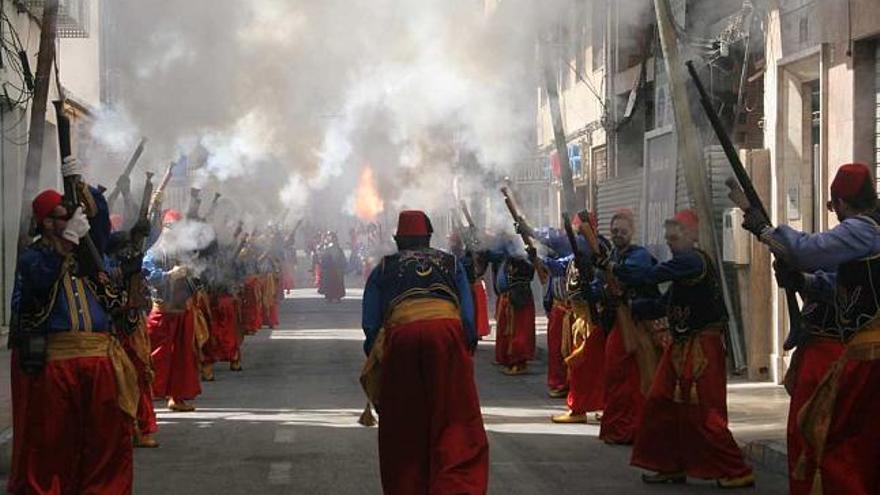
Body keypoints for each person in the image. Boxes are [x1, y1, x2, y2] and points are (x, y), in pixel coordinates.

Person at [741, 163, 880, 494]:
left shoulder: (863, 229)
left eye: (834, 207)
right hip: (866, 355)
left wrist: (766, 231)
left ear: (842, 203)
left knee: (831, 435)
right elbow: (848, 292)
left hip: (869, 357)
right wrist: (803, 282)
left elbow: (805, 251)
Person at [8, 184, 138, 494]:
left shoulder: (89, 256)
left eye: (71, 216)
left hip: (99, 360)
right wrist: (65, 244)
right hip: (57, 364)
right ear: (46, 222)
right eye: (62, 216)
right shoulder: (33, 258)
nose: (69, 221)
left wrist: (81, 184)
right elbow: (36, 287)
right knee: (54, 444)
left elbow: (101, 223)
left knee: (105, 442)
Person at [617, 210, 754, 488]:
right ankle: (669, 465)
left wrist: (615, 269)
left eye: (675, 238)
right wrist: (630, 305)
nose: (670, 243)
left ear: (692, 236)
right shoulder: (682, 267)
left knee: (707, 413)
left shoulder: (693, 261)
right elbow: (663, 305)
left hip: (703, 348)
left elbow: (651, 275)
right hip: (680, 348)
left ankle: (736, 469)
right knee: (660, 402)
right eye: (668, 239)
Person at [362, 210, 488, 494]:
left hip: (402, 339)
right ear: (429, 238)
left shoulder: (384, 267)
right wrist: (466, 345)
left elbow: (370, 323)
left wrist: (378, 354)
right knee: (455, 419)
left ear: (398, 240)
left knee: (404, 424)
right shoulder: (451, 262)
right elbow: (467, 316)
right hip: (446, 336)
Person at [596, 209, 661, 445]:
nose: (618, 235)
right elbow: (597, 285)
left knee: (635, 381)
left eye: (623, 231)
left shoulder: (639, 255)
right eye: (614, 231)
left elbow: (635, 274)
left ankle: (634, 428)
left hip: (638, 326)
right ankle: (617, 428)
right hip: (618, 324)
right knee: (615, 378)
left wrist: (611, 270)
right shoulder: (611, 256)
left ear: (631, 232)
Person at [143, 209, 202, 412]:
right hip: (163, 312)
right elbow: (148, 275)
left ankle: (176, 398)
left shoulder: (184, 253)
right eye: (170, 227)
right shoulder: (153, 252)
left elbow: (197, 278)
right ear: (164, 228)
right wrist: (170, 275)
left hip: (182, 312)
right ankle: (149, 396)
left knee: (182, 358)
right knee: (157, 356)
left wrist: (192, 279)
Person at [486, 235, 536, 376]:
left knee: (519, 332)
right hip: (508, 298)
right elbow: (493, 254)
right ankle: (509, 359)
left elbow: (527, 267)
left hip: (518, 298)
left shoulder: (523, 260)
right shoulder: (508, 257)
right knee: (508, 331)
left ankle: (519, 362)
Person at [320, 232, 347, 302]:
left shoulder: (336, 248)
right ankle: (330, 296)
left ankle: (336, 296)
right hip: (330, 268)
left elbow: (341, 258)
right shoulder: (328, 247)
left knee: (336, 281)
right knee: (330, 282)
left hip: (335, 268)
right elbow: (324, 257)